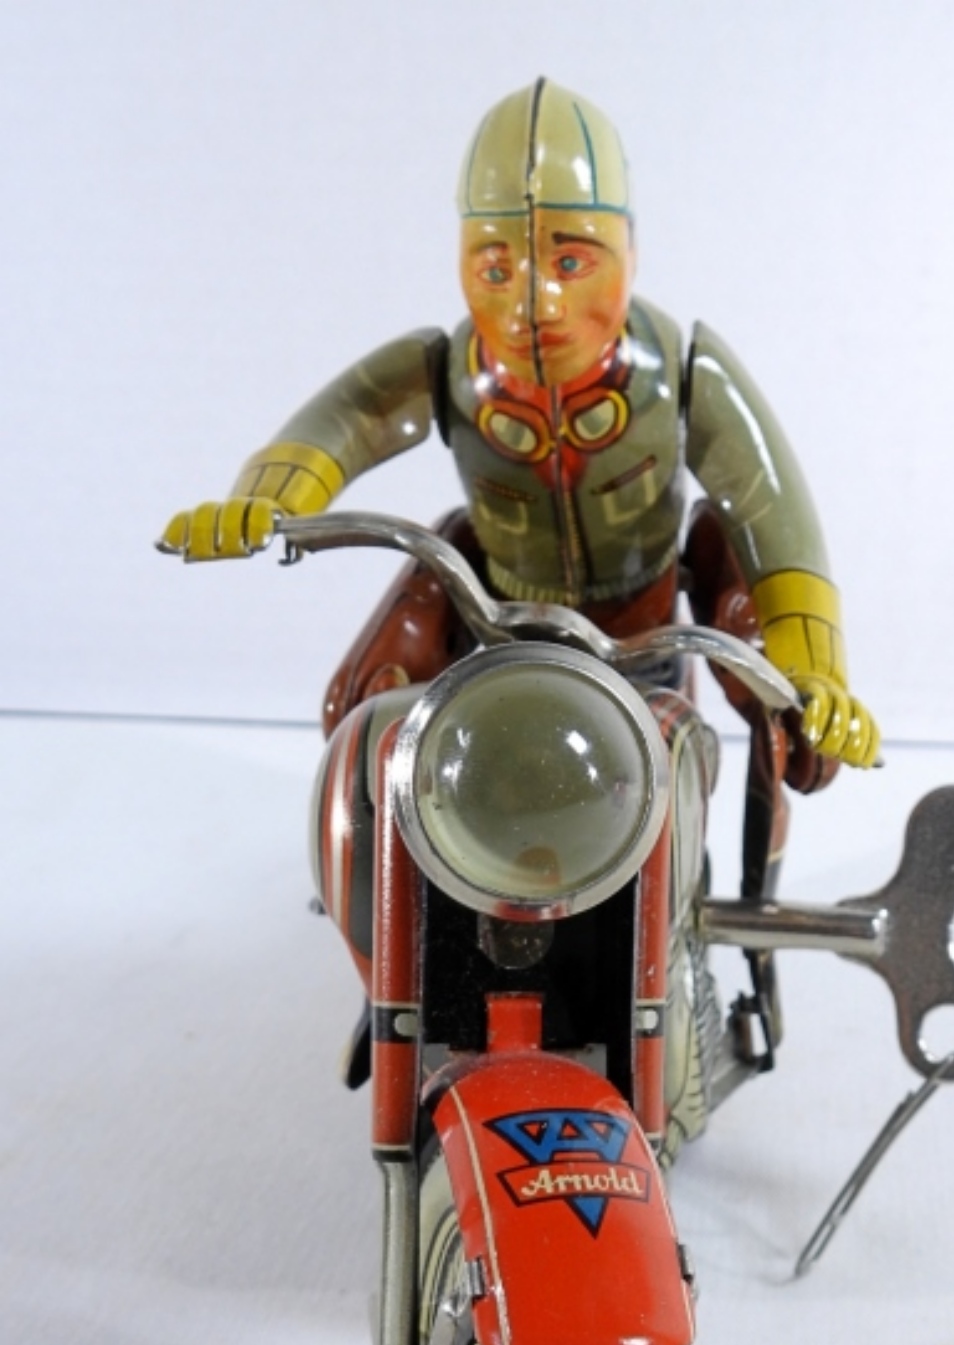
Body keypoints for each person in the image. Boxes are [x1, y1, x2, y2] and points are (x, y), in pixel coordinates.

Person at [161, 77, 879, 948]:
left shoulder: (684, 372)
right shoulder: (447, 368)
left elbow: (773, 512)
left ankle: (702, 940)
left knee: (748, 743)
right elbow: (345, 420)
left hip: (647, 646)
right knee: (367, 733)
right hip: (493, 639)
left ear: (630, 250)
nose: (534, 303)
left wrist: (816, 673)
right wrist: (261, 503)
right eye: (496, 268)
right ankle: (397, 951)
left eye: (571, 262)